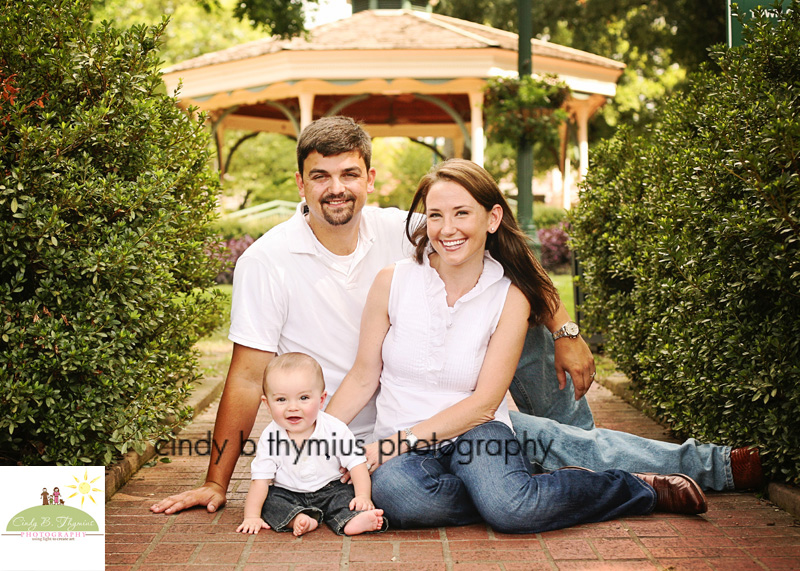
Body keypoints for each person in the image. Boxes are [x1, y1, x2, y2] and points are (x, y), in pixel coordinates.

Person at [150, 116, 760, 517]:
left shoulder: (409, 229)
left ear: (368, 179)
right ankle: (544, 466)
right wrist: (219, 479)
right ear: (302, 184)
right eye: (320, 177)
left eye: (349, 174)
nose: (336, 188)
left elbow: (514, 260)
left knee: (532, 407)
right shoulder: (270, 261)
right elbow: (250, 377)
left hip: (452, 415)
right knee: (430, 495)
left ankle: (604, 457)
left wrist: (566, 329)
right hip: (369, 432)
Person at [325, 158, 708, 532]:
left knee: (513, 512)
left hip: (477, 433)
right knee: (403, 497)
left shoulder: (510, 296)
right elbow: (362, 378)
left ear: (491, 219)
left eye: (462, 213)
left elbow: (485, 404)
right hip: (403, 437)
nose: (447, 228)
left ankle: (636, 488)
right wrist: (312, 441)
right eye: (436, 215)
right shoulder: (393, 281)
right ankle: (518, 489)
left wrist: (391, 447)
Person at [236, 352, 385, 537]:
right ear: (267, 404)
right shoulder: (270, 437)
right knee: (268, 501)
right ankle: (298, 519)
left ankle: (353, 519)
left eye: (303, 398)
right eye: (281, 400)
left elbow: (356, 464)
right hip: (289, 493)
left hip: (331, 488)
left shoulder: (334, 428)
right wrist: (251, 516)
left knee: (346, 497)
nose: (293, 407)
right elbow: (260, 481)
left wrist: (363, 496)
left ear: (321, 400)